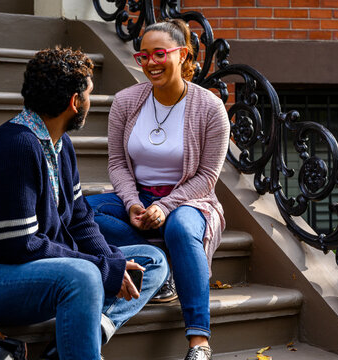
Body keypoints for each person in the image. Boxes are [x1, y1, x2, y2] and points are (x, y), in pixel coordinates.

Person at [0, 47, 169, 360]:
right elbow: (19, 246)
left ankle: (72, 342)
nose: (90, 102)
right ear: (74, 103)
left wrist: (108, 261)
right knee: (84, 276)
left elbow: (80, 218)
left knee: (152, 260)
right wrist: (102, 268)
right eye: (89, 94)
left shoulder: (60, 144)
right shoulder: (15, 148)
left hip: (47, 265)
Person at [86, 19, 230, 360]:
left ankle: (199, 340)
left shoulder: (210, 108)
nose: (150, 62)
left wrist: (166, 207)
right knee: (83, 210)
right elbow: (118, 165)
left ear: (183, 55)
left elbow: (207, 177)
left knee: (181, 227)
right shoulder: (125, 101)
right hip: (138, 197)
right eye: (143, 56)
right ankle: (162, 261)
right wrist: (133, 202)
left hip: (191, 199)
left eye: (160, 53)